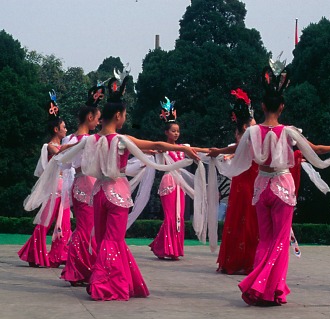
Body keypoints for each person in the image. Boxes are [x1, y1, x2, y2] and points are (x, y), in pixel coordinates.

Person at [209, 63, 330, 306]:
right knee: (280, 240)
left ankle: (265, 286)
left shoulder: (252, 133)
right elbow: (314, 150)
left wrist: (217, 151)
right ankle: (266, 286)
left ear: (262, 106)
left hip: (261, 186)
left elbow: (235, 151)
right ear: (282, 106)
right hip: (283, 187)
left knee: (265, 239)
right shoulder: (289, 132)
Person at [78, 72, 200, 300]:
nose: (125, 118)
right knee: (113, 240)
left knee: (106, 239)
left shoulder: (90, 140)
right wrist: (183, 149)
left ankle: (122, 280)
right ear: (118, 115)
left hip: (98, 193)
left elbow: (67, 154)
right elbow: (155, 143)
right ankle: (103, 283)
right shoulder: (122, 140)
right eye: (125, 114)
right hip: (117, 194)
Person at [149, 97, 209, 260]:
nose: (176, 133)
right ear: (166, 132)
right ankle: (167, 248)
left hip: (179, 184)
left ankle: (168, 248)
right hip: (168, 182)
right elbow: (151, 151)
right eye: (173, 131)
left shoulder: (184, 148)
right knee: (170, 216)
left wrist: (212, 151)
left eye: (178, 131)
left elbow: (198, 149)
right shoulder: (162, 147)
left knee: (179, 216)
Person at [18, 90, 72, 268]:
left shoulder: (62, 145)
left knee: (64, 224)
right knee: (45, 222)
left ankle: (60, 255)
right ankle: (34, 254)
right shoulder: (50, 146)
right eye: (64, 127)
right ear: (56, 129)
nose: (66, 129)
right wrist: (77, 145)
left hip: (62, 189)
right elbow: (59, 155)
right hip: (54, 188)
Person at [60, 84, 103, 285]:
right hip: (87, 183)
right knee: (87, 230)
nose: (99, 121)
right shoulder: (89, 140)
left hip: (79, 181)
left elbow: (66, 162)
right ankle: (80, 271)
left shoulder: (70, 138)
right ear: (89, 118)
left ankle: (79, 270)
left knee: (84, 229)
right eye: (97, 118)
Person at [214, 88, 259, 274]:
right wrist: (223, 153)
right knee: (245, 216)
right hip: (246, 177)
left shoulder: (248, 134)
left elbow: (237, 149)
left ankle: (240, 258)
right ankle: (243, 259)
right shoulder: (248, 134)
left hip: (250, 176)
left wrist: (222, 153)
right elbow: (239, 148)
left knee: (246, 216)